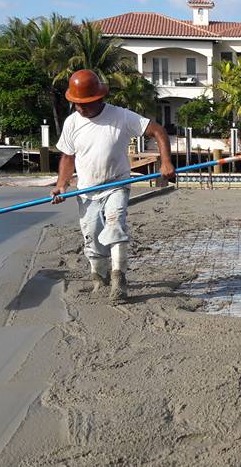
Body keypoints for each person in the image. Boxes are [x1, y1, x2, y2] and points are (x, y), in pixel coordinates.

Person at [51, 69, 175, 300]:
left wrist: (166, 162)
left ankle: (119, 277)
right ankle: (99, 277)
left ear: (99, 98)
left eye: (85, 104)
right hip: (87, 190)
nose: (81, 108)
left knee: (115, 225)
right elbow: (67, 157)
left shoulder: (121, 117)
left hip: (117, 184)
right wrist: (61, 185)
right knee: (92, 235)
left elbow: (157, 130)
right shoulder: (71, 123)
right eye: (77, 104)